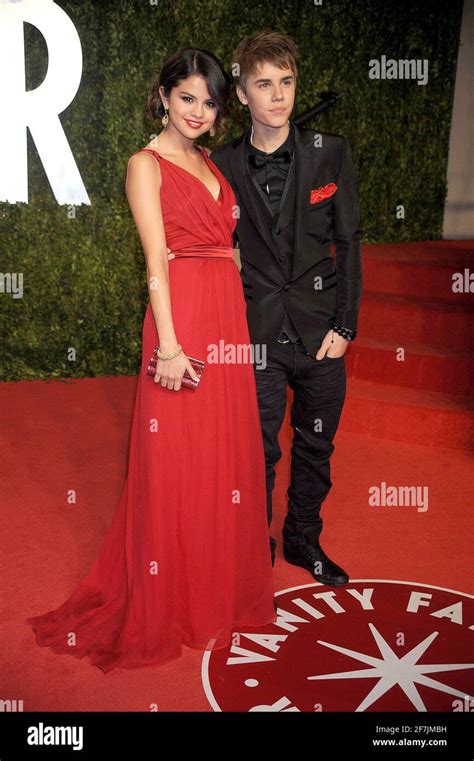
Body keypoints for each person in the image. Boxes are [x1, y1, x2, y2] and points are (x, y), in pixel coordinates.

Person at [26, 48, 276, 673]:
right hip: (182, 320)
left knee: (222, 456)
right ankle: (174, 597)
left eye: (210, 101)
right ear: (163, 95)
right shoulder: (146, 164)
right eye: (186, 97)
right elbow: (156, 261)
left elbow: (230, 249)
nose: (197, 111)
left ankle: (214, 588)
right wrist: (168, 344)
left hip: (225, 318)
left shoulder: (210, 162)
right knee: (177, 460)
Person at [211, 31, 362, 584]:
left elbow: (348, 242)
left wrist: (345, 324)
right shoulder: (221, 163)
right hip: (256, 335)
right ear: (244, 94)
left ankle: (302, 539)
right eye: (264, 84)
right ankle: (254, 545)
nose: (278, 96)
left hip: (322, 331)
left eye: (287, 82)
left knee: (316, 445)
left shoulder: (331, 152)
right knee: (257, 454)